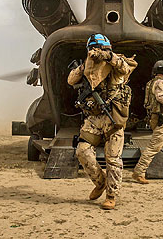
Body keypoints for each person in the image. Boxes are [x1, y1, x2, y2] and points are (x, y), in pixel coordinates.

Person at [68, 33, 137, 210]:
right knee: (82, 151)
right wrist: (83, 66)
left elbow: (125, 68)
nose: (96, 51)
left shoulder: (115, 62)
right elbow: (71, 80)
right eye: (93, 48)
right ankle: (100, 183)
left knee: (112, 158)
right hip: (94, 117)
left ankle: (111, 195)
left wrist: (108, 56)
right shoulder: (88, 67)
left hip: (113, 117)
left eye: (100, 48)